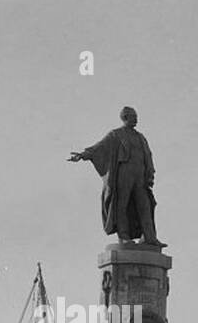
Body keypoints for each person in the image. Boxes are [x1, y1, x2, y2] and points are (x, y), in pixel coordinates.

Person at [68, 106, 162, 247]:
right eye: (133, 116)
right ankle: (124, 236)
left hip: (140, 175)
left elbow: (148, 155)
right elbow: (99, 147)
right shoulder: (116, 134)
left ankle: (149, 237)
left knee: (145, 205)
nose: (136, 119)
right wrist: (83, 155)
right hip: (124, 173)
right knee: (121, 204)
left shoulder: (140, 137)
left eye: (136, 116)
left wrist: (149, 172)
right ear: (125, 117)